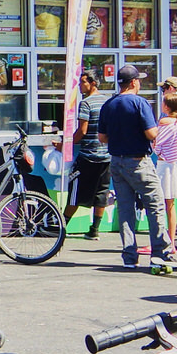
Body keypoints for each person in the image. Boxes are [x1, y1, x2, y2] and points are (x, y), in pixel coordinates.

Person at [98, 63, 175, 271]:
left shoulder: (109, 104)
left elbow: (102, 137)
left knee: (125, 209)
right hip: (139, 161)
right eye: (138, 80)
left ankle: (129, 256)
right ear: (133, 82)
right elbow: (151, 134)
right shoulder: (140, 103)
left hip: (116, 160)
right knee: (155, 205)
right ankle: (160, 252)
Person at [64, 69, 111, 238]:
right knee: (101, 193)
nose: (80, 86)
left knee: (75, 191)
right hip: (106, 156)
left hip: (88, 156)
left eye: (83, 82)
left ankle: (61, 226)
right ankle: (94, 230)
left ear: (93, 83)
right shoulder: (107, 102)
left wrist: (66, 145)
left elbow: (81, 131)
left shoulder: (86, 103)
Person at [155, 93, 177, 245]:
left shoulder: (165, 121)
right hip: (176, 166)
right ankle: (172, 241)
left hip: (165, 166)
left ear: (167, 106)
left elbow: (158, 144)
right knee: (171, 205)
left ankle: (161, 240)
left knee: (160, 203)